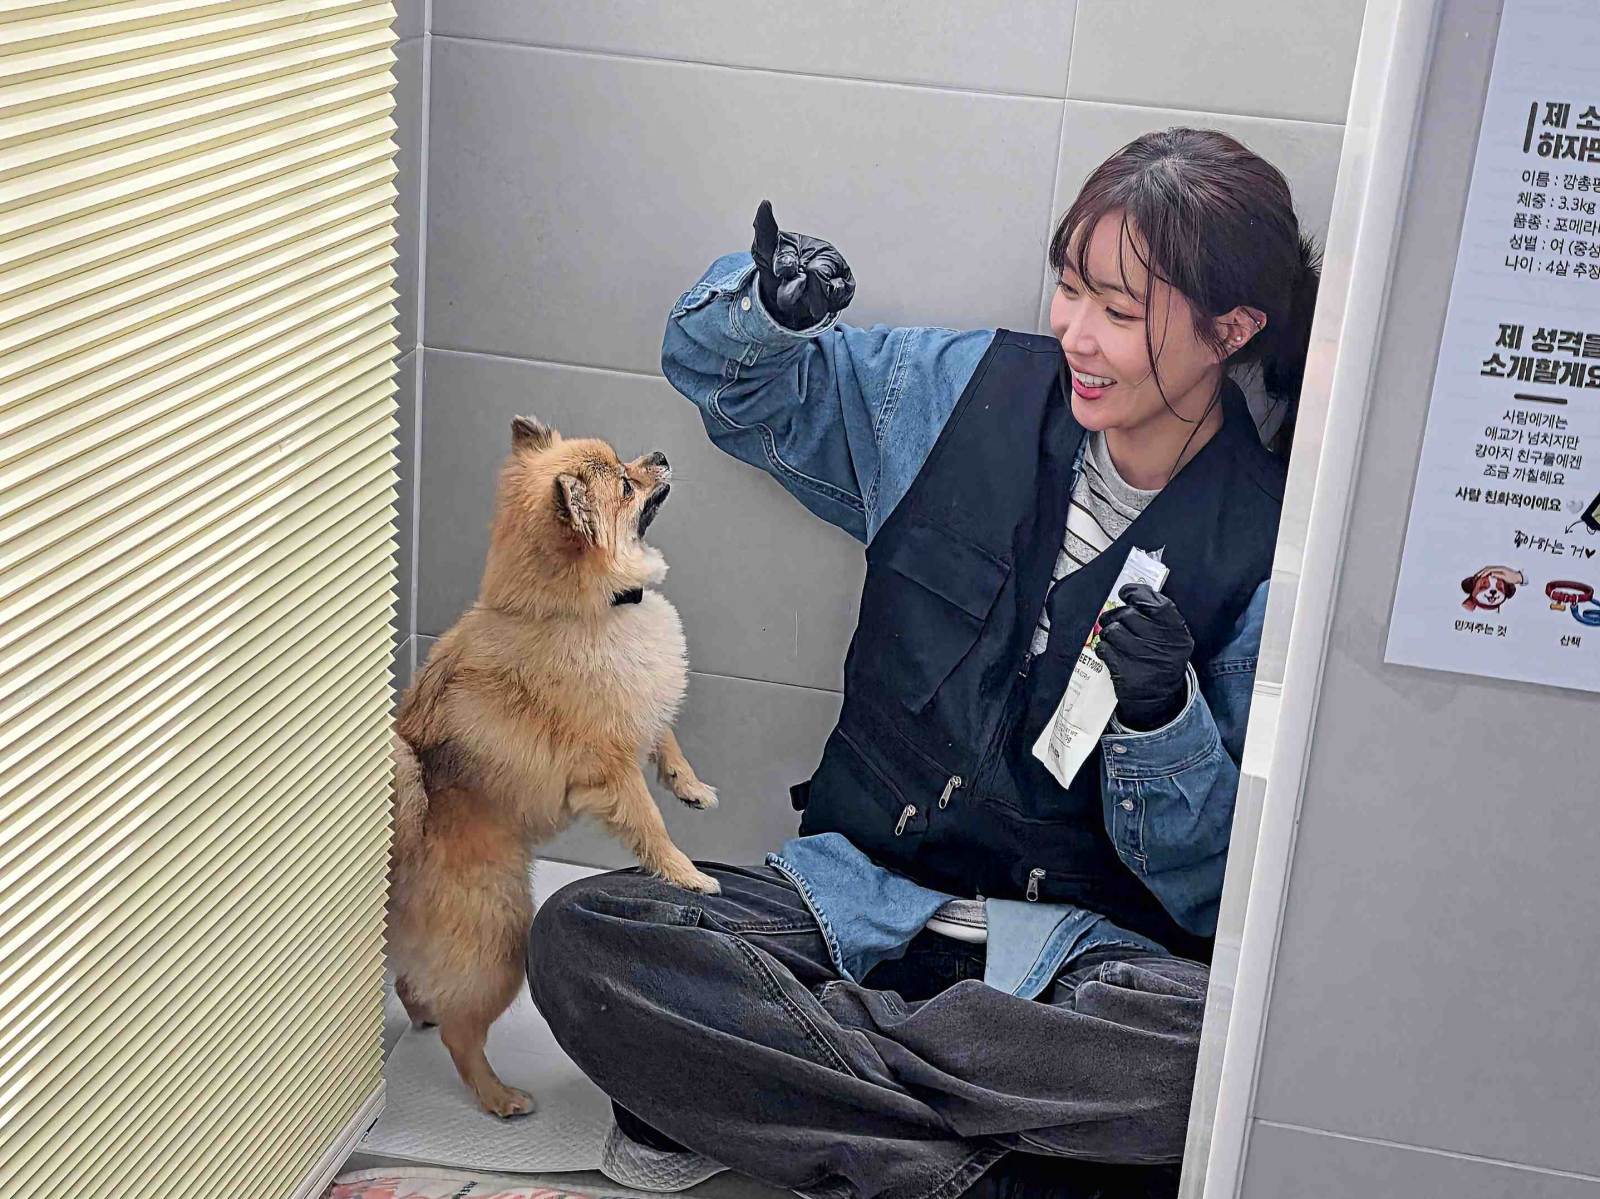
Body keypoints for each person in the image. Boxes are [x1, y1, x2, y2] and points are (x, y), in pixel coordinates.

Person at [529, 128, 1322, 1199]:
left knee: (1209, 1056)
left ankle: (767, 1084)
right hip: (848, 900)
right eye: (1070, 288)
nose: (1077, 334)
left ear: (1231, 330)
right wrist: (768, 311)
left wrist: (1162, 714)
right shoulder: (954, 390)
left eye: (1121, 313)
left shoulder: (1273, 546)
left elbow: (1218, 885)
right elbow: (729, 385)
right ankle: (976, 1165)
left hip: (1075, 961)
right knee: (587, 933)